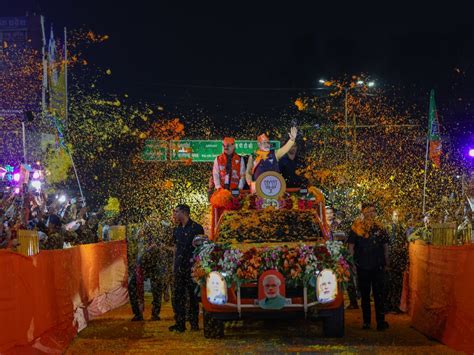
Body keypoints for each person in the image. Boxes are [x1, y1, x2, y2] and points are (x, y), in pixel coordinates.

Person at [348, 202, 390, 331]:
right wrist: (352, 263)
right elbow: (351, 246)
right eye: (368, 211)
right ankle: (366, 322)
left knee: (379, 295)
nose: (370, 213)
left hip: (378, 266)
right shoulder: (356, 227)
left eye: (373, 211)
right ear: (363, 212)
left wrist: (387, 262)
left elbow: (385, 246)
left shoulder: (380, 227)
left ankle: (380, 322)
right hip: (362, 266)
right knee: (365, 295)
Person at [169, 204, 204, 333]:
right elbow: (175, 248)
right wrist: (174, 266)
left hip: (192, 268)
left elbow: (201, 249)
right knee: (178, 296)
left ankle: (194, 323)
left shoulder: (197, 228)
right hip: (179, 268)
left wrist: (198, 267)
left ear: (184, 213)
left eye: (176, 211)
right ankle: (180, 324)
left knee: (193, 296)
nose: (174, 214)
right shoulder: (176, 230)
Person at [384, 209, 408, 314]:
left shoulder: (402, 229)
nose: (397, 217)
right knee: (388, 283)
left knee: (398, 283)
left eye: (398, 215)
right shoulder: (388, 228)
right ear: (392, 216)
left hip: (399, 260)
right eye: (395, 215)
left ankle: (396, 305)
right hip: (390, 259)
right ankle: (388, 305)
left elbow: (405, 243)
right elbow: (386, 244)